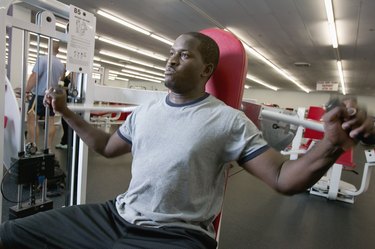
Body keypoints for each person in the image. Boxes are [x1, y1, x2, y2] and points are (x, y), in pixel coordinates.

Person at [1, 32, 374, 249]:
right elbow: (104, 146)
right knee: (12, 235)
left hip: (176, 236)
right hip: (115, 216)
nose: (171, 60)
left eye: (184, 55)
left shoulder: (228, 121)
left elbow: (282, 178)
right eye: (170, 53)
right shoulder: (147, 111)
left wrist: (331, 145)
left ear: (206, 69)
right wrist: (66, 112)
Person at [25, 41, 65, 149]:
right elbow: (61, 81)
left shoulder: (42, 59)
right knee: (50, 121)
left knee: (32, 120)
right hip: (51, 96)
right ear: (58, 50)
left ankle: (33, 147)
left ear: (48, 48)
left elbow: (34, 77)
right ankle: (48, 148)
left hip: (39, 95)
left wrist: (26, 90)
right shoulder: (61, 65)